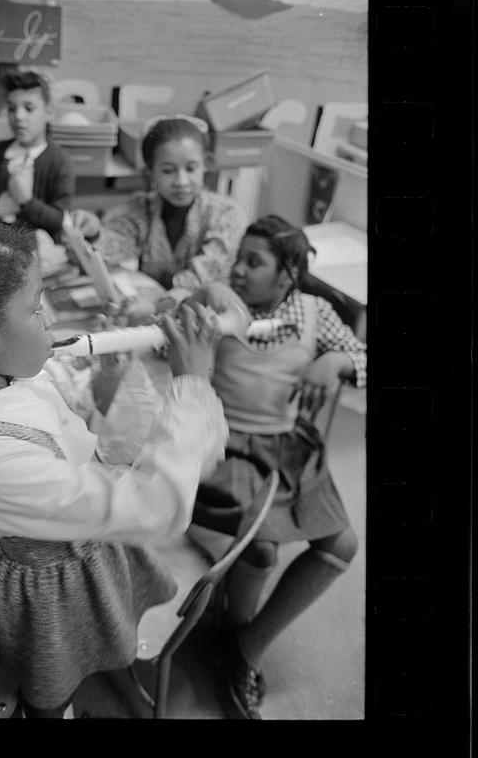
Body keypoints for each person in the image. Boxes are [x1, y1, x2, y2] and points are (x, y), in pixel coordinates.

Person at [0, 216, 228, 719]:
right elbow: (155, 509)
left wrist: (109, 381)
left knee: (101, 644)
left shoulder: (7, 375)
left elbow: (80, 440)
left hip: (86, 546)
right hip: (47, 589)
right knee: (51, 682)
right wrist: (191, 386)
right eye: (35, 308)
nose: (47, 323)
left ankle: (99, 679)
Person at [189, 214, 367, 720]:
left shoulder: (316, 312)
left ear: (288, 274)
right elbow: (166, 328)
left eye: (254, 262)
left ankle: (246, 645)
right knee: (260, 547)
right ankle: (230, 632)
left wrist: (336, 362)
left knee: (343, 545)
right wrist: (203, 297)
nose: (239, 270)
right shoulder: (222, 305)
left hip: (286, 445)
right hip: (224, 444)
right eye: (237, 259)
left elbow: (363, 356)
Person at [97, 115, 247, 322]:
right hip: (151, 317)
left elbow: (204, 276)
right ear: (151, 172)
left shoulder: (227, 215)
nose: (181, 181)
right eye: (168, 171)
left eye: (191, 168)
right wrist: (92, 233)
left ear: (207, 164)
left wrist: (154, 305)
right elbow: (108, 250)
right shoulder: (139, 211)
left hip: (205, 321)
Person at [0, 70, 75, 241]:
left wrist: (26, 201)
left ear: (49, 113)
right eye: (12, 109)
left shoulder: (60, 162)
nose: (19, 117)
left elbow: (59, 219)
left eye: (29, 108)